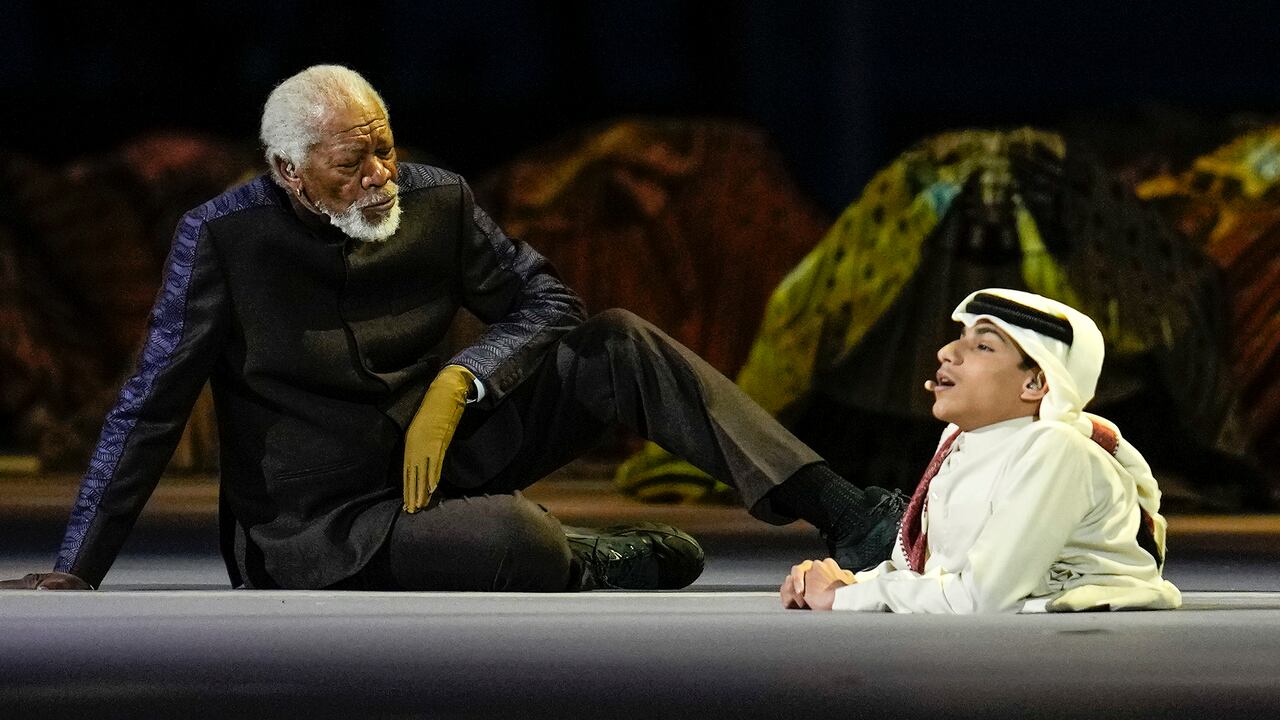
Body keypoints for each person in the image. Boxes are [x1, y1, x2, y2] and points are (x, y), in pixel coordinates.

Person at [1, 65, 901, 593]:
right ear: (289, 172)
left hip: (447, 453)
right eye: (352, 162)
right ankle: (585, 560)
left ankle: (848, 515)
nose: (381, 175)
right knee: (515, 538)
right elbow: (151, 404)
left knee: (620, 341)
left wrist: (462, 380)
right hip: (325, 524)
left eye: (385, 146)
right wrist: (80, 564)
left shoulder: (437, 201)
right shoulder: (222, 239)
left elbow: (549, 303)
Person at [780, 288, 1182, 613]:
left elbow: (981, 597)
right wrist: (845, 581)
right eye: (960, 337)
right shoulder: (961, 439)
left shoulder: (1058, 448)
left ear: (1036, 383)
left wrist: (846, 597)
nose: (947, 352)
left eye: (983, 346)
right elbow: (932, 574)